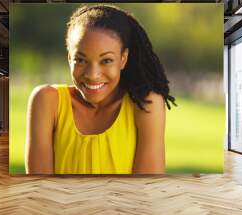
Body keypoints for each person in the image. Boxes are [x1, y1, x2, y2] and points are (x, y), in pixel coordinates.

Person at [25, 4, 176, 174]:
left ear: (123, 59)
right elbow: (40, 188)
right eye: (81, 60)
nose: (92, 75)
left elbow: (146, 191)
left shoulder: (145, 105)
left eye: (106, 61)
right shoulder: (47, 101)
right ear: (69, 58)